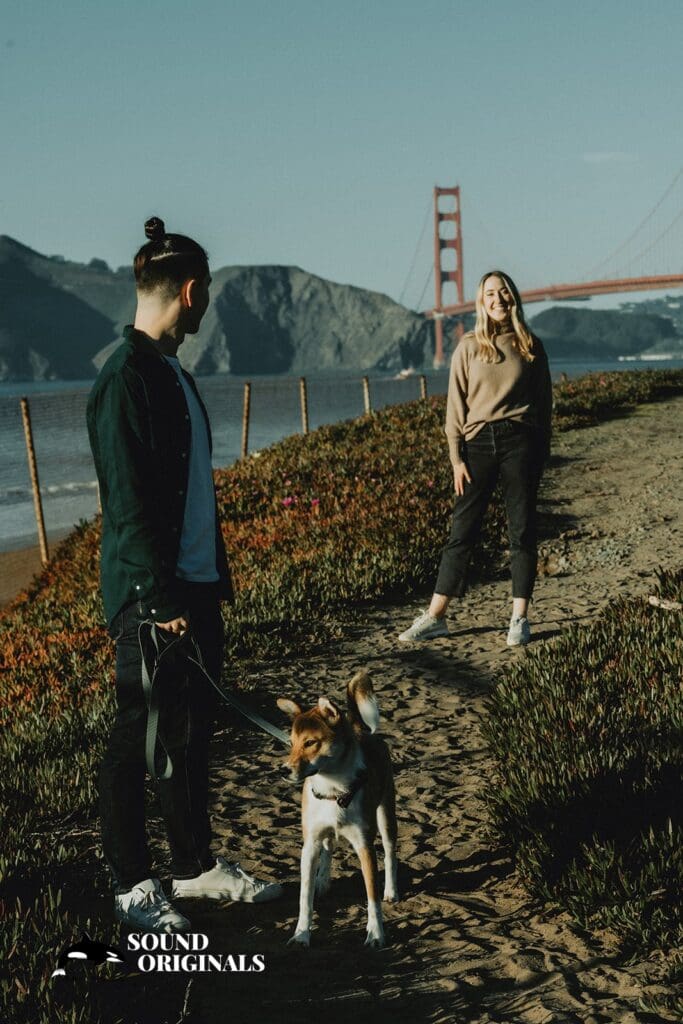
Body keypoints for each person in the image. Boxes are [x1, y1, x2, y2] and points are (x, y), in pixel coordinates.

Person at [87, 217, 282, 934]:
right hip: (153, 597)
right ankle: (131, 885)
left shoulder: (168, 371)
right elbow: (128, 500)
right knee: (135, 734)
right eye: (205, 298)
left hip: (193, 588)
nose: (204, 310)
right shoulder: (125, 379)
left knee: (189, 734)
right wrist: (156, 597)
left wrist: (195, 589)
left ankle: (194, 865)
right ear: (191, 292)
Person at [398, 270, 552, 647]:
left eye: (504, 292)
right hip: (477, 445)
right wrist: (456, 458)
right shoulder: (468, 346)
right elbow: (455, 406)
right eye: (489, 294)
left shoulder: (531, 345)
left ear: (514, 297)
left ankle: (519, 618)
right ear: (481, 303)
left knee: (522, 531)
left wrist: (540, 453)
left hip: (520, 443)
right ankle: (435, 617)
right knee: (460, 533)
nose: (498, 299)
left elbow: (545, 407)